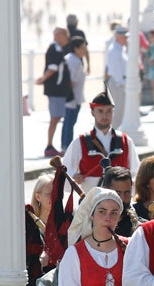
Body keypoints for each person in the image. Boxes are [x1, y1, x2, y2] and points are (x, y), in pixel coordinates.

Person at [61, 88, 140, 189]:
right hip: (90, 199)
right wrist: (74, 176)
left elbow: (135, 173)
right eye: (100, 111)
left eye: (109, 111)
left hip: (119, 199)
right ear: (92, 112)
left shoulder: (125, 140)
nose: (105, 115)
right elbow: (66, 169)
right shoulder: (80, 141)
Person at [37, 27, 72, 157]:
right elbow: (52, 68)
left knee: (56, 117)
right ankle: (49, 145)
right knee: (55, 118)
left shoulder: (59, 48)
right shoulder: (55, 49)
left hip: (59, 90)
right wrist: (43, 79)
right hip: (56, 89)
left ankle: (51, 145)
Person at [60, 37, 89, 152]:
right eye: (82, 48)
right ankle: (67, 147)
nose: (84, 50)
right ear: (75, 48)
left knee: (68, 122)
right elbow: (71, 81)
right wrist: (69, 96)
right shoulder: (74, 61)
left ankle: (65, 145)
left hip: (73, 97)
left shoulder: (72, 59)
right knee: (69, 122)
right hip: (72, 98)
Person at [100, 165, 140, 237]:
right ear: (105, 191)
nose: (122, 198)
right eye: (117, 193)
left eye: (127, 192)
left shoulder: (139, 226)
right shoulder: (91, 224)